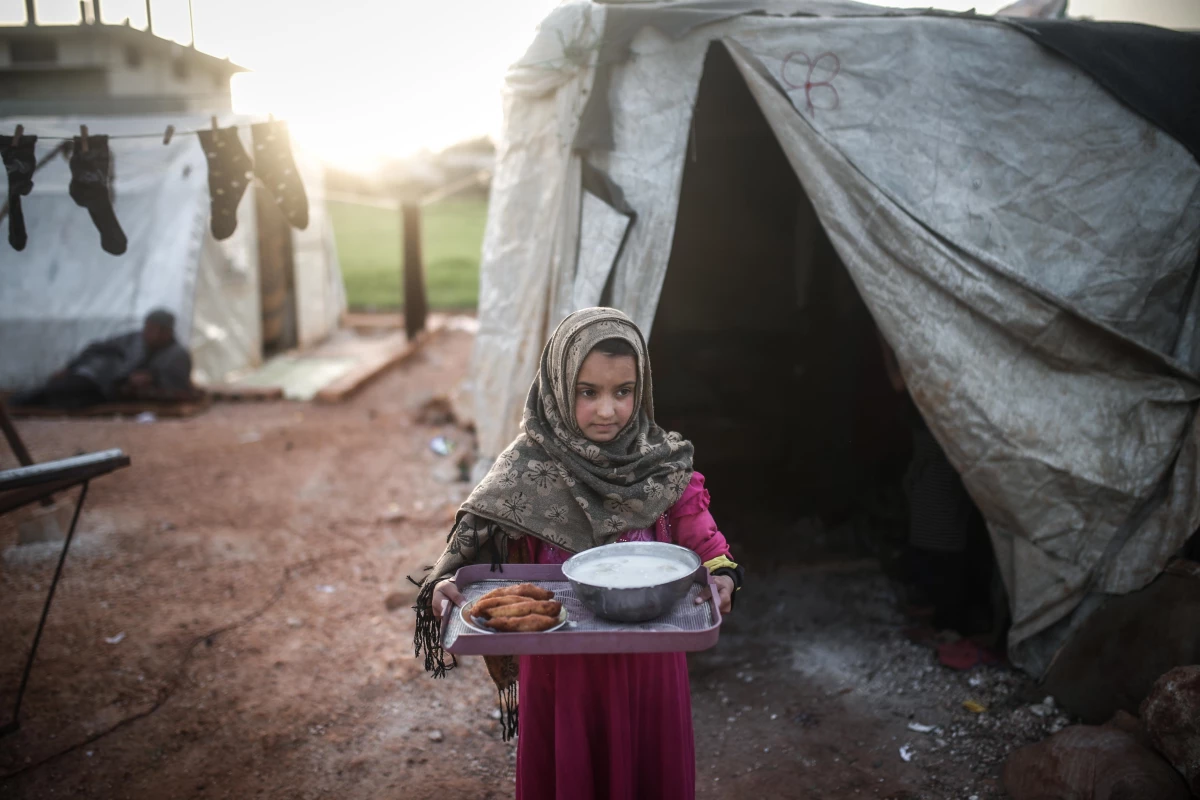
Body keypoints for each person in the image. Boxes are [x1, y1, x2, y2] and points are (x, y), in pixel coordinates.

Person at [413, 307, 744, 800]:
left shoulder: (660, 466)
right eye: (587, 392)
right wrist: (449, 580)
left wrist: (722, 574)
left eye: (622, 391)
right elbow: (479, 537)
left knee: (647, 771)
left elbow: (700, 532)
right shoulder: (527, 471)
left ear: (642, 388)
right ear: (557, 386)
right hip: (561, 668)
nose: (607, 410)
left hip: (649, 666)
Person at [12, 309, 193, 410]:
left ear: (166, 332)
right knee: (63, 388)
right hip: (99, 378)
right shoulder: (133, 339)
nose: (147, 332)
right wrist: (71, 366)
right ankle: (20, 401)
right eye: (147, 327)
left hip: (110, 392)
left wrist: (153, 378)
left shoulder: (178, 355)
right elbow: (97, 348)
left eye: (152, 329)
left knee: (71, 400)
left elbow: (178, 383)